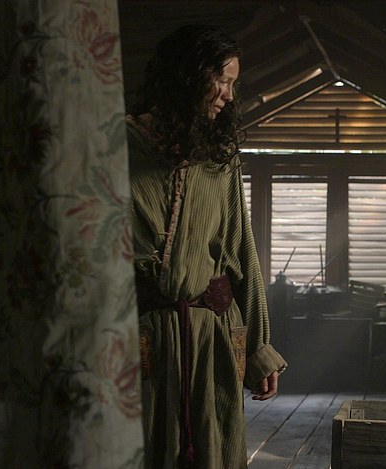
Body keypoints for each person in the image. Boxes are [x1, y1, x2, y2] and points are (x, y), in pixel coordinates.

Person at [125, 24, 288, 468]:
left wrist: (259, 348)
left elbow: (241, 252)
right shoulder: (116, 146)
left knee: (214, 449)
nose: (229, 97)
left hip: (211, 337)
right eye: (223, 81)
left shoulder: (220, 157)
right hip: (141, 336)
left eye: (234, 84)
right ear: (189, 77)